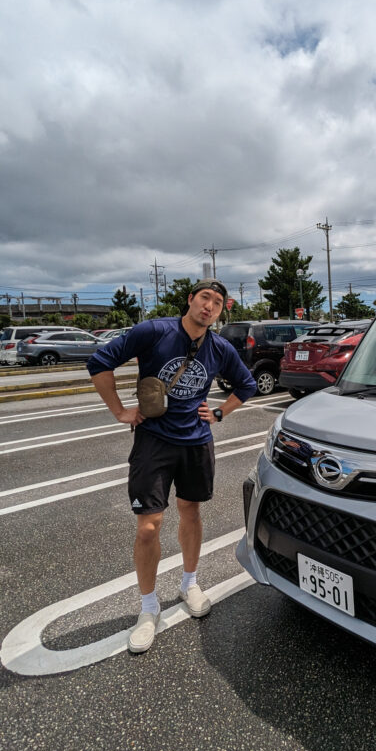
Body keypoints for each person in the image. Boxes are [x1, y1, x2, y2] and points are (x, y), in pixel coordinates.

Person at [87, 279, 257, 654]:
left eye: (217, 302)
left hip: (196, 442)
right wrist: (119, 411)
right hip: (153, 441)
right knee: (149, 526)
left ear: (221, 311)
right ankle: (149, 609)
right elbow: (99, 362)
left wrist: (218, 411)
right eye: (204, 298)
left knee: (191, 512)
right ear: (190, 301)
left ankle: (189, 583)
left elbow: (246, 385)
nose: (209, 306)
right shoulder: (154, 331)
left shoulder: (219, 347)